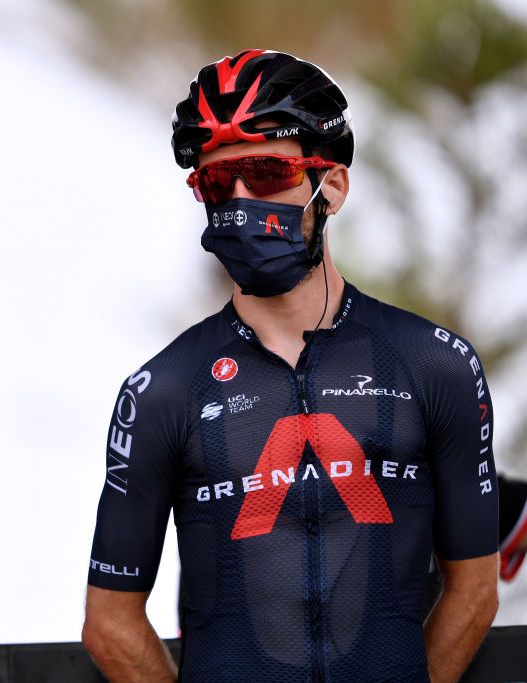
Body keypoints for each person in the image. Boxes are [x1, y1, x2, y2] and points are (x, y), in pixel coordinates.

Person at [81, 49, 499, 683]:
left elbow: (476, 589)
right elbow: (109, 620)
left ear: (331, 184)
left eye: (268, 173)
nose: (242, 201)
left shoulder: (435, 364)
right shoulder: (161, 389)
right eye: (218, 184)